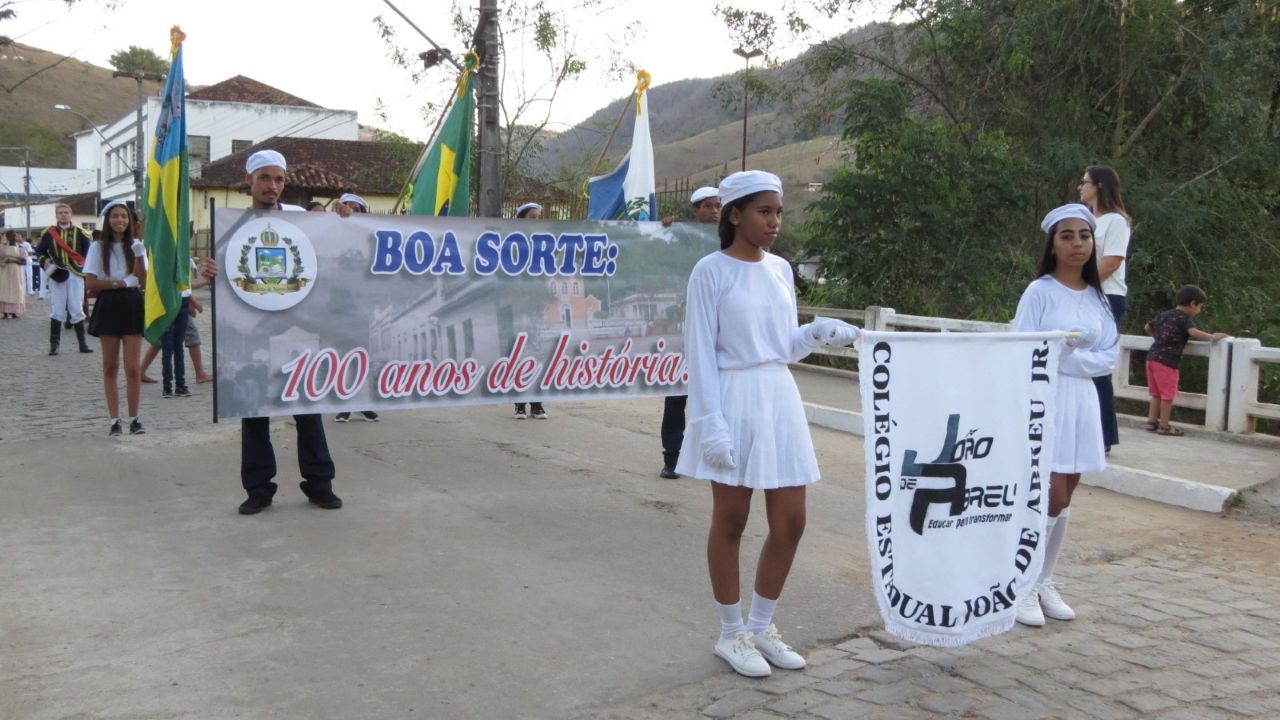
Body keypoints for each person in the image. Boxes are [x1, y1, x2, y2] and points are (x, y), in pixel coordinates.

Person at [678, 170, 858, 678]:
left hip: (779, 395)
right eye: (764, 211)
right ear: (734, 214)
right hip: (733, 397)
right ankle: (731, 634)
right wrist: (709, 423)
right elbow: (701, 353)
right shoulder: (709, 271)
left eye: (778, 211)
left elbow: (782, 345)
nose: (775, 221)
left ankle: (762, 626)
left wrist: (817, 332)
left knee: (791, 522)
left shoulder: (780, 269)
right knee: (731, 521)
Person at [209, 150, 342, 515]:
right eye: (265, 178)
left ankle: (319, 483)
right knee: (255, 409)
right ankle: (258, 489)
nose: (272, 186)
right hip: (250, 328)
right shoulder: (230, 225)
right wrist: (208, 271)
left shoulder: (302, 220)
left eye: (279, 179)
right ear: (249, 180)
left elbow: (334, 241)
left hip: (297, 330)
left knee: (307, 409)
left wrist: (345, 218)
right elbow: (220, 273)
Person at [1012, 203, 1118, 628]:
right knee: (1049, 494)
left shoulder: (1096, 297)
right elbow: (1023, 347)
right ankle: (1020, 583)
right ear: (1052, 244)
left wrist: (1069, 358)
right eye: (1067, 236)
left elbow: (1108, 355)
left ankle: (1044, 580)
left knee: (1068, 493)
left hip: (1083, 400)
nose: (1077, 244)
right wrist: (1066, 356)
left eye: (1084, 236)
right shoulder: (1039, 292)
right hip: (1046, 401)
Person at [660, 186, 721, 479]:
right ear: (695, 211)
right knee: (676, 395)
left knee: (720, 395)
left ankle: (718, 455)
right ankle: (673, 458)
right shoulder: (682, 237)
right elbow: (657, 248)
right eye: (707, 206)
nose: (714, 211)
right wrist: (662, 229)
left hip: (720, 327)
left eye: (718, 205)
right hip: (683, 323)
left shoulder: (733, 238)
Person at [82, 200, 147, 435]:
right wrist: (119, 282)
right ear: (108, 221)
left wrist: (140, 257)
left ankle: (135, 418)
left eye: (124, 216)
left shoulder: (137, 246)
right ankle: (114, 420)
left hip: (131, 304)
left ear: (130, 221)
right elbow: (90, 282)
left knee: (132, 368)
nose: (120, 220)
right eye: (115, 216)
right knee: (110, 366)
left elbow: (144, 281)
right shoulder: (98, 248)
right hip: (109, 304)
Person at [1079, 166, 1131, 454]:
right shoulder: (1086, 219)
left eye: (1084, 182)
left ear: (1098, 186)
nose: (1080, 187)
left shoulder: (1116, 221)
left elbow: (1112, 262)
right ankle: (1085, 431)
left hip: (1106, 297)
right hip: (1085, 296)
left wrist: (1083, 286)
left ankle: (1104, 437)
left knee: (1098, 367)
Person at [1143, 285, 1229, 436]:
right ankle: (1164, 426)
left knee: (1156, 393)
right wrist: (1213, 337)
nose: (1199, 311)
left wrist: (1159, 338)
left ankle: (1151, 422)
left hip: (1152, 358)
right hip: (1167, 362)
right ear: (1193, 303)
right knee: (1167, 395)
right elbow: (1194, 333)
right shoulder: (1184, 318)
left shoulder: (1165, 314)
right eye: (1200, 307)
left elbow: (1147, 327)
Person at [331, 193, 379, 423]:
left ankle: (361, 402)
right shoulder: (334, 233)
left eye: (356, 209)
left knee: (361, 357)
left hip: (362, 307)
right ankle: (344, 403)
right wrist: (337, 210)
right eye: (347, 207)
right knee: (342, 355)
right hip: (339, 306)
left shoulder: (369, 239)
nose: (350, 211)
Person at [35, 203, 94, 355]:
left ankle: (82, 344)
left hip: (75, 274)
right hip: (58, 273)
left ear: (71, 214)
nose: (63, 215)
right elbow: (40, 251)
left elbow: (88, 255)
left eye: (66, 212)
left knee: (76, 308)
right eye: (60, 212)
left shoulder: (81, 233)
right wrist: (44, 260)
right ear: (56, 215)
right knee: (57, 309)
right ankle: (54, 345)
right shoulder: (49, 233)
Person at [512, 201, 549, 420]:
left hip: (535, 307)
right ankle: (519, 403)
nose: (536, 220)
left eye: (539, 217)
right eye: (532, 217)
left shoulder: (543, 244)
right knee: (519, 354)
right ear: (522, 219)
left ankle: (537, 403)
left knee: (536, 353)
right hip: (517, 307)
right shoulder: (512, 244)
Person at [0, 231, 28, 319]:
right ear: (7, 237)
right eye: (11, 236)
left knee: (16, 290)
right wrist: (3, 262)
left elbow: (24, 262)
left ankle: (14, 312)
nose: (14, 238)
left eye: (15, 236)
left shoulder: (20, 248)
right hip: (5, 270)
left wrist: (12, 261)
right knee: (5, 289)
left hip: (16, 271)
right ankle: (4, 312)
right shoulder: (2, 247)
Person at [19, 232, 36, 296]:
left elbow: (30, 252)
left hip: (27, 261)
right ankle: (23, 291)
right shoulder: (16, 244)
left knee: (29, 276)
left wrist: (25, 255)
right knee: (22, 277)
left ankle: (30, 291)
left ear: (22, 237)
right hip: (20, 262)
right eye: (17, 237)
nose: (18, 238)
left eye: (19, 237)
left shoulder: (26, 244)